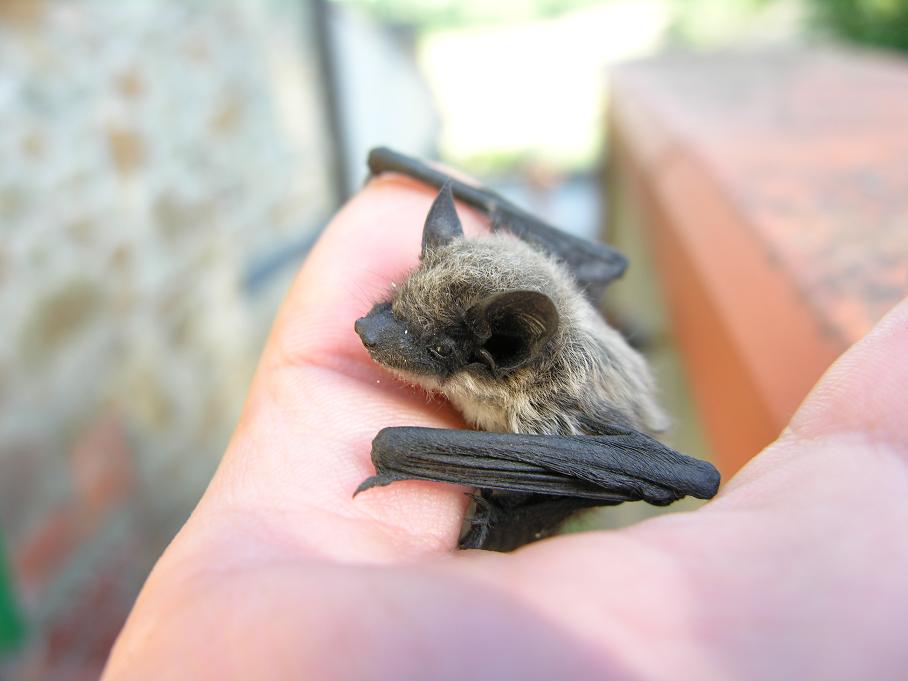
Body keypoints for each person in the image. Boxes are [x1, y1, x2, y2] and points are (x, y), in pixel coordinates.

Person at [102, 175, 908, 680]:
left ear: (499, 351)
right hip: (547, 326)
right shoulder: (514, 298)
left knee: (398, 450)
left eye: (422, 343)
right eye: (394, 310)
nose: (380, 336)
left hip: (588, 431)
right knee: (400, 444)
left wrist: (409, 456)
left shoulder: (525, 386)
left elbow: (687, 472)